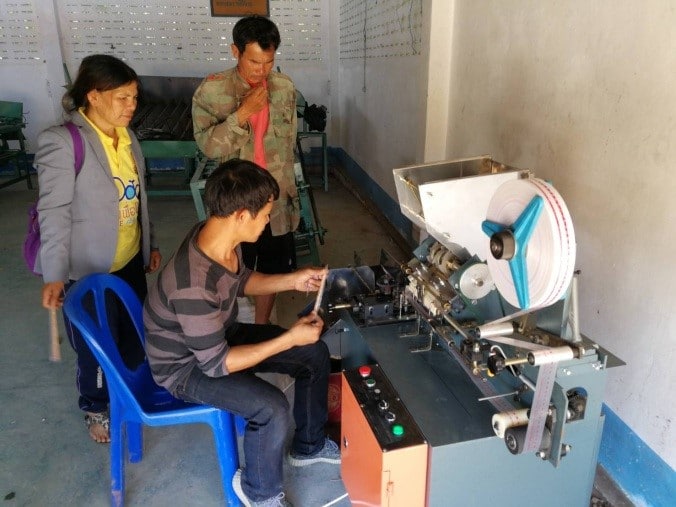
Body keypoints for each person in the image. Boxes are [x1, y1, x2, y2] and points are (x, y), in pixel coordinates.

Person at [143, 159, 339, 507]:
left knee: (313, 353)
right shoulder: (192, 284)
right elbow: (218, 365)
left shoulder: (218, 237)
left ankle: (309, 446)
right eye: (265, 215)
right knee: (271, 408)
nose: (267, 222)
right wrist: (288, 338)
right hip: (185, 367)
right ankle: (260, 493)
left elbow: (241, 280)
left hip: (217, 335)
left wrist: (293, 280)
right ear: (241, 215)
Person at [35, 54, 162, 443]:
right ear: (93, 95)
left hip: (128, 260)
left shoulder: (127, 136)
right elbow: (53, 212)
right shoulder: (63, 141)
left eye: (134, 97)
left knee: (133, 336)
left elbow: (138, 198)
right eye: (122, 97)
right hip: (88, 266)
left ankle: (128, 394)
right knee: (95, 347)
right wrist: (54, 274)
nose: (131, 106)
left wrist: (150, 244)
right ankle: (95, 407)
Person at [192, 15, 299, 326]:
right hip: (236, 200)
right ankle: (232, 323)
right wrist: (242, 114)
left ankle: (261, 326)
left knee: (273, 265)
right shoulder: (213, 91)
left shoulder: (284, 87)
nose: (261, 70)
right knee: (232, 265)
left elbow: (288, 143)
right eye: (254, 61)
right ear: (235, 51)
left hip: (275, 198)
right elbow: (208, 146)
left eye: (268, 61)